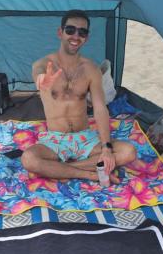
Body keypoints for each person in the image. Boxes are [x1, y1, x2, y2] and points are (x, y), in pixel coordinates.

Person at [22, 10, 137, 183]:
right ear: (60, 33)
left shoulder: (91, 69)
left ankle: (63, 170)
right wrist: (41, 80)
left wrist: (106, 148)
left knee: (128, 152)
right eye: (70, 30)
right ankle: (90, 173)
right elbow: (38, 73)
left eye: (82, 32)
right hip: (55, 139)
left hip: (86, 139)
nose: (76, 36)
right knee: (28, 159)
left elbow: (99, 108)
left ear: (86, 38)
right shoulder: (43, 65)